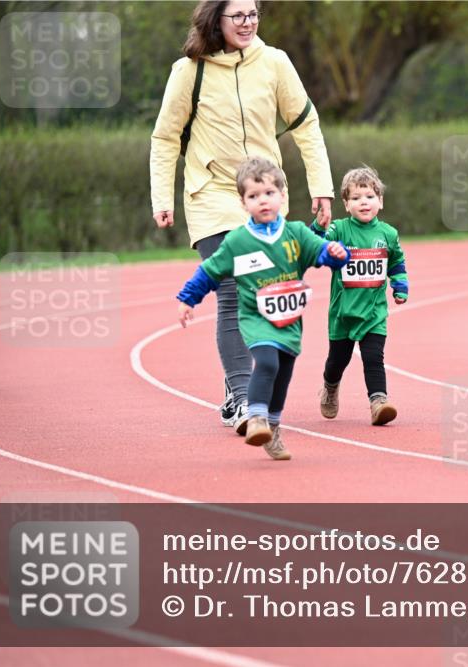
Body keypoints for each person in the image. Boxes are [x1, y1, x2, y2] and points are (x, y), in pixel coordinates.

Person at [150, 0, 334, 433]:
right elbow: (165, 137)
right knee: (231, 293)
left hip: (266, 196)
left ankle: (259, 380)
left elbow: (306, 124)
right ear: (217, 19)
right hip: (211, 197)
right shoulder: (188, 71)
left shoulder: (275, 63)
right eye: (239, 15)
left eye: (254, 14)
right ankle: (239, 393)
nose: (248, 22)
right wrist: (163, 197)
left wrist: (321, 185)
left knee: (267, 293)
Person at [175, 157, 349, 460]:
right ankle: (256, 418)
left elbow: (323, 255)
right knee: (266, 362)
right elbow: (211, 271)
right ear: (243, 203)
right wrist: (188, 298)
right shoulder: (238, 241)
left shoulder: (295, 233)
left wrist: (337, 253)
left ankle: (273, 428)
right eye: (253, 196)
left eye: (269, 193)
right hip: (256, 318)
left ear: (282, 196)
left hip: (290, 320)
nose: (263, 201)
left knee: (282, 375)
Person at [311, 167, 409, 426]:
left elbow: (397, 261)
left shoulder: (388, 234)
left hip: (374, 313)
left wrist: (400, 285)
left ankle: (379, 402)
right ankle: (330, 387)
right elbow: (315, 243)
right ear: (345, 204)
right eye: (355, 198)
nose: (363, 202)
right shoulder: (340, 229)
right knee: (337, 361)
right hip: (343, 314)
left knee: (374, 357)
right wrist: (319, 227)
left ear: (380, 201)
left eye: (369, 196)